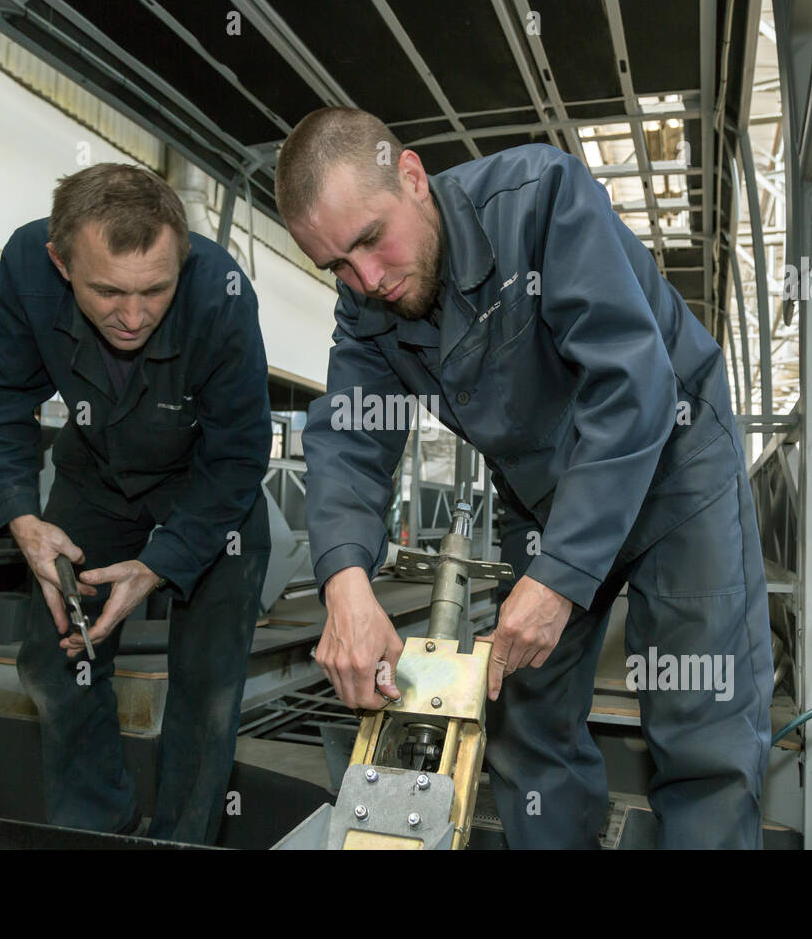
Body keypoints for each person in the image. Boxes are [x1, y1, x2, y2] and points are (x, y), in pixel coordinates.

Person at [275, 108, 773, 849]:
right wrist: (345, 584)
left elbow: (631, 387)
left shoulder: (541, 198)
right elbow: (350, 435)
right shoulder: (369, 304)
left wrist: (563, 577)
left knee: (698, 718)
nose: (367, 280)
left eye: (372, 241)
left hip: (674, 467)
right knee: (523, 713)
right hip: (544, 500)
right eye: (338, 267)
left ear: (412, 176)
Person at [0, 163, 271, 844]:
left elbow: (242, 452)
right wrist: (21, 516)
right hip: (96, 479)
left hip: (209, 496)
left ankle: (181, 841)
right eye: (107, 292)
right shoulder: (24, 265)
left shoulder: (220, 293)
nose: (132, 317)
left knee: (208, 690)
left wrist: (160, 564)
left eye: (154, 291)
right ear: (61, 261)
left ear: (180, 265)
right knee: (55, 659)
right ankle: (99, 824)